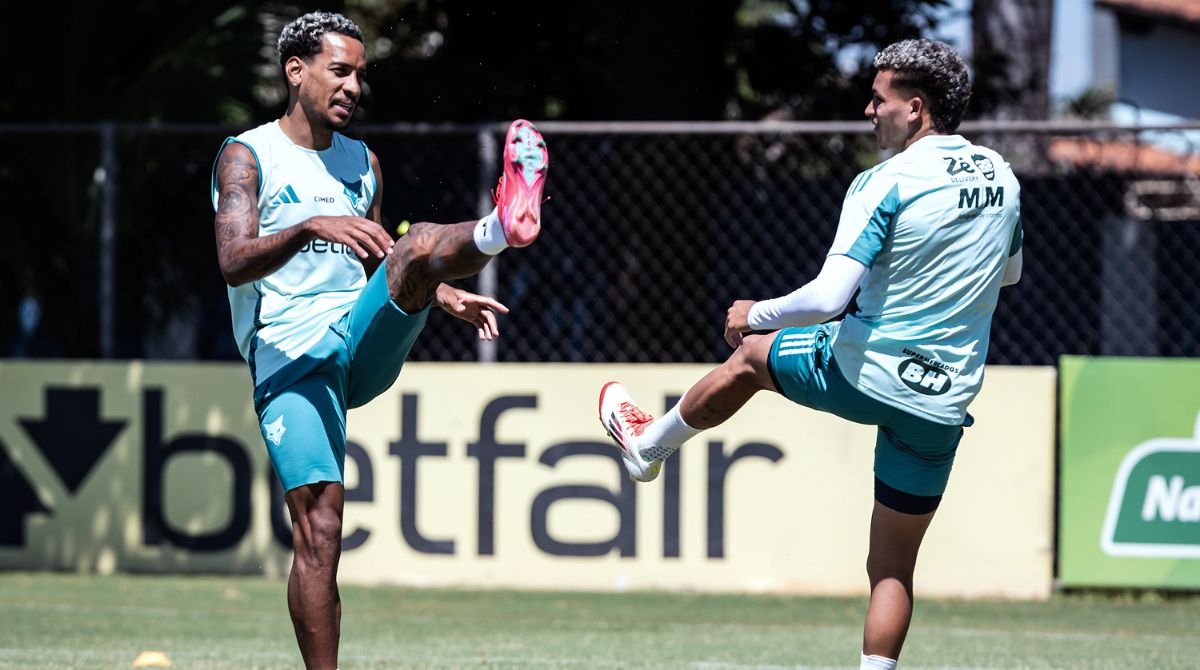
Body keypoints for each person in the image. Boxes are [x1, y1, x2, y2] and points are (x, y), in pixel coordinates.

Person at [599, 39, 1022, 670]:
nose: (867, 110)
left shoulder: (887, 180)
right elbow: (1008, 276)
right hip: (943, 398)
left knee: (751, 357)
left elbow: (827, 298)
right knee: (892, 570)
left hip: (865, 369)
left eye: (878, 100)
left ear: (915, 108)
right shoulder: (1002, 176)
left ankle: (647, 447)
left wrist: (752, 315)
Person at [210, 12, 548, 669]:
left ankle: (503, 225)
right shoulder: (246, 154)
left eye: (361, 74)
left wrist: (441, 292)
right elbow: (232, 259)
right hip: (288, 357)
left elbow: (377, 253)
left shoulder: (363, 162)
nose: (354, 86)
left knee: (419, 240)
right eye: (341, 70)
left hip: (358, 337)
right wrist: (311, 225)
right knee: (322, 529)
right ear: (296, 71)